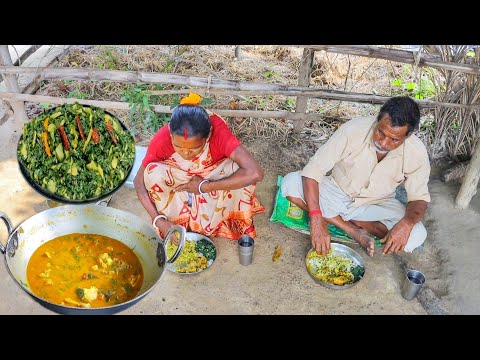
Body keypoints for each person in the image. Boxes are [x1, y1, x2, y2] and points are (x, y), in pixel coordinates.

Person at [281, 96, 430, 257]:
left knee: (417, 234)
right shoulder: (352, 130)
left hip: (376, 204)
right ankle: (352, 229)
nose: (384, 143)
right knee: (291, 183)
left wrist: (406, 224)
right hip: (336, 192)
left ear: (408, 135)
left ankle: (353, 221)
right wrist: (316, 219)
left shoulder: (416, 152)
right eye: (380, 132)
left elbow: (419, 198)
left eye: (394, 139)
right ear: (378, 119)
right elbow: (313, 170)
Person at [134, 93, 265, 241]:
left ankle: (220, 219)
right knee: (152, 172)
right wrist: (158, 220)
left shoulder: (217, 131)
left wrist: (204, 187)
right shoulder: (163, 138)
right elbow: (139, 182)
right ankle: (178, 220)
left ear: (208, 135)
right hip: (180, 180)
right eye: (178, 147)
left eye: (194, 148)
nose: (186, 153)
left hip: (212, 178)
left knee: (239, 170)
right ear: (171, 135)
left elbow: (256, 173)